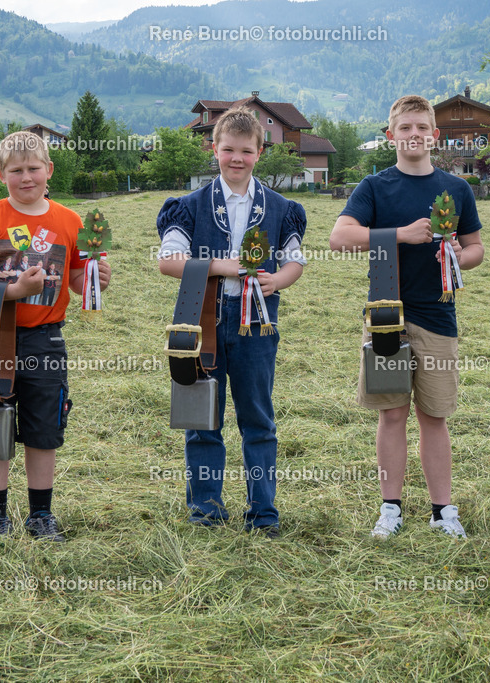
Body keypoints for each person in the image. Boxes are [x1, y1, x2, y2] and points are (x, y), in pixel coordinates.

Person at [330, 95, 485, 539]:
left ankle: (442, 510)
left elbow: (476, 249)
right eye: (405, 128)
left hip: (438, 318)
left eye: (422, 128)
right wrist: (400, 235)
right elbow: (340, 238)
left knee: (435, 417)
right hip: (386, 319)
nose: (414, 135)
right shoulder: (374, 187)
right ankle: (390, 508)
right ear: (391, 136)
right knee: (392, 415)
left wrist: (461, 253)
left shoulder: (457, 189)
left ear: (435, 136)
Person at [0, 130, 112, 541]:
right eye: (16, 170)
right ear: (2, 173)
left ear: (49, 171)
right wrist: (13, 292)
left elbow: (76, 280)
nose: (26, 177)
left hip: (46, 338)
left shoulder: (71, 220)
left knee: (44, 427)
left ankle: (40, 515)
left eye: (34, 168)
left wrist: (94, 279)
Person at [157, 106, 306, 537]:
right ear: (214, 149)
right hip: (201, 324)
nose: (236, 158)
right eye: (228, 150)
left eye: (246, 150)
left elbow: (295, 262)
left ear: (260, 151)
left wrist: (277, 280)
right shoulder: (188, 207)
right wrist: (226, 266)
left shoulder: (281, 208)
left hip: (256, 326)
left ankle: (263, 512)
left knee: (258, 418)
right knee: (202, 417)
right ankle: (206, 508)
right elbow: (169, 261)